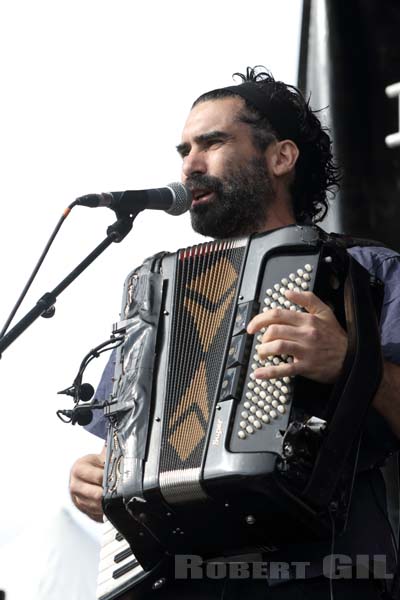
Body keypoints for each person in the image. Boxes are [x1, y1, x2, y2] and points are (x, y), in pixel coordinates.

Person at [69, 68, 400, 599]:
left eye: (212, 143)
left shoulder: (367, 269)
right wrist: (94, 481)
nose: (189, 164)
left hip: (322, 576)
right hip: (184, 581)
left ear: (281, 157)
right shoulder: (157, 293)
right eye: (183, 149)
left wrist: (349, 360)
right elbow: (119, 450)